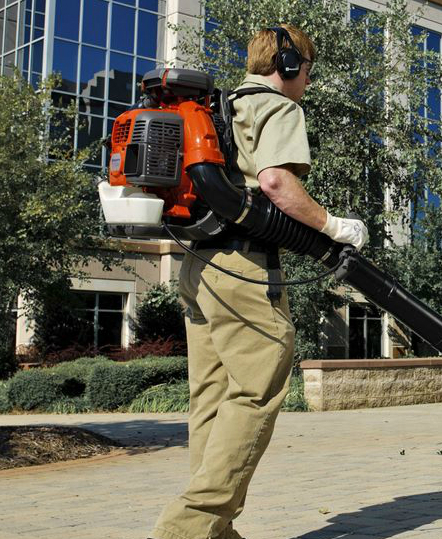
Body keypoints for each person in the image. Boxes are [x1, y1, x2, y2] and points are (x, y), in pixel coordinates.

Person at [150, 25, 368, 539]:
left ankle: (215, 531)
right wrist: (334, 226)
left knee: (212, 396)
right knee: (257, 389)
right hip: (244, 268)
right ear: (290, 66)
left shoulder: (222, 107)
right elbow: (274, 181)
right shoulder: (279, 106)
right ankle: (186, 529)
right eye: (308, 71)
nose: (308, 82)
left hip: (199, 266)